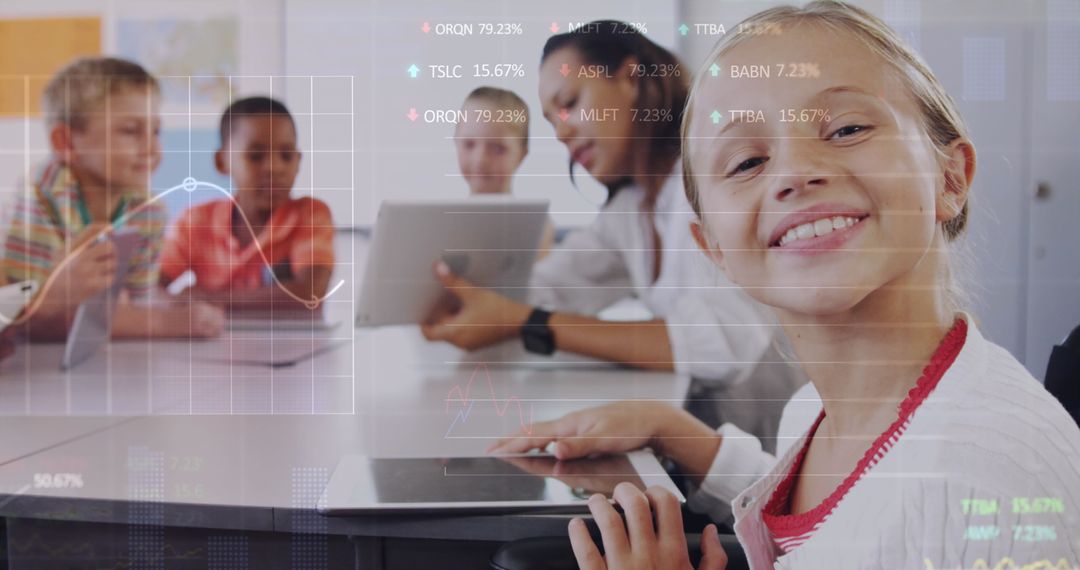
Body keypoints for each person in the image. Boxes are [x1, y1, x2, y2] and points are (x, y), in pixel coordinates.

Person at [491, 3, 1080, 568]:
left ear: (951, 178)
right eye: (747, 163)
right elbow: (848, 519)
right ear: (715, 251)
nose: (796, 173)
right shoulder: (815, 415)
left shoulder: (987, 484)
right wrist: (674, 429)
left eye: (847, 128)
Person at [424, 22, 805, 445]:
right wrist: (459, 293)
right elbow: (553, 285)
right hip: (713, 449)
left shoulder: (712, 180)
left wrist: (526, 322)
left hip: (776, 448)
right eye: (552, 124)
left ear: (630, 78)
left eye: (569, 103)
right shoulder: (631, 209)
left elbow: (724, 345)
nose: (563, 133)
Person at [0, 57, 223, 340]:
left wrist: (147, 314)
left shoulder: (149, 212)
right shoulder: (38, 196)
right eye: (130, 131)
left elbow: (133, 306)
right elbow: (21, 319)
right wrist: (166, 322)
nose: (152, 147)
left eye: (156, 131)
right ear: (66, 143)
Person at [159, 96, 335, 309]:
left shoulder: (309, 215)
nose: (274, 168)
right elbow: (150, 286)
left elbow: (309, 294)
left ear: (298, 162)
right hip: (213, 341)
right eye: (256, 156)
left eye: (286, 156)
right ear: (222, 161)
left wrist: (206, 299)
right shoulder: (196, 221)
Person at [455, 86, 554, 258]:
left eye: (497, 148)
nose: (480, 159)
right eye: (469, 144)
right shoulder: (444, 222)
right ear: (455, 142)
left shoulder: (536, 227)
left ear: (522, 154)